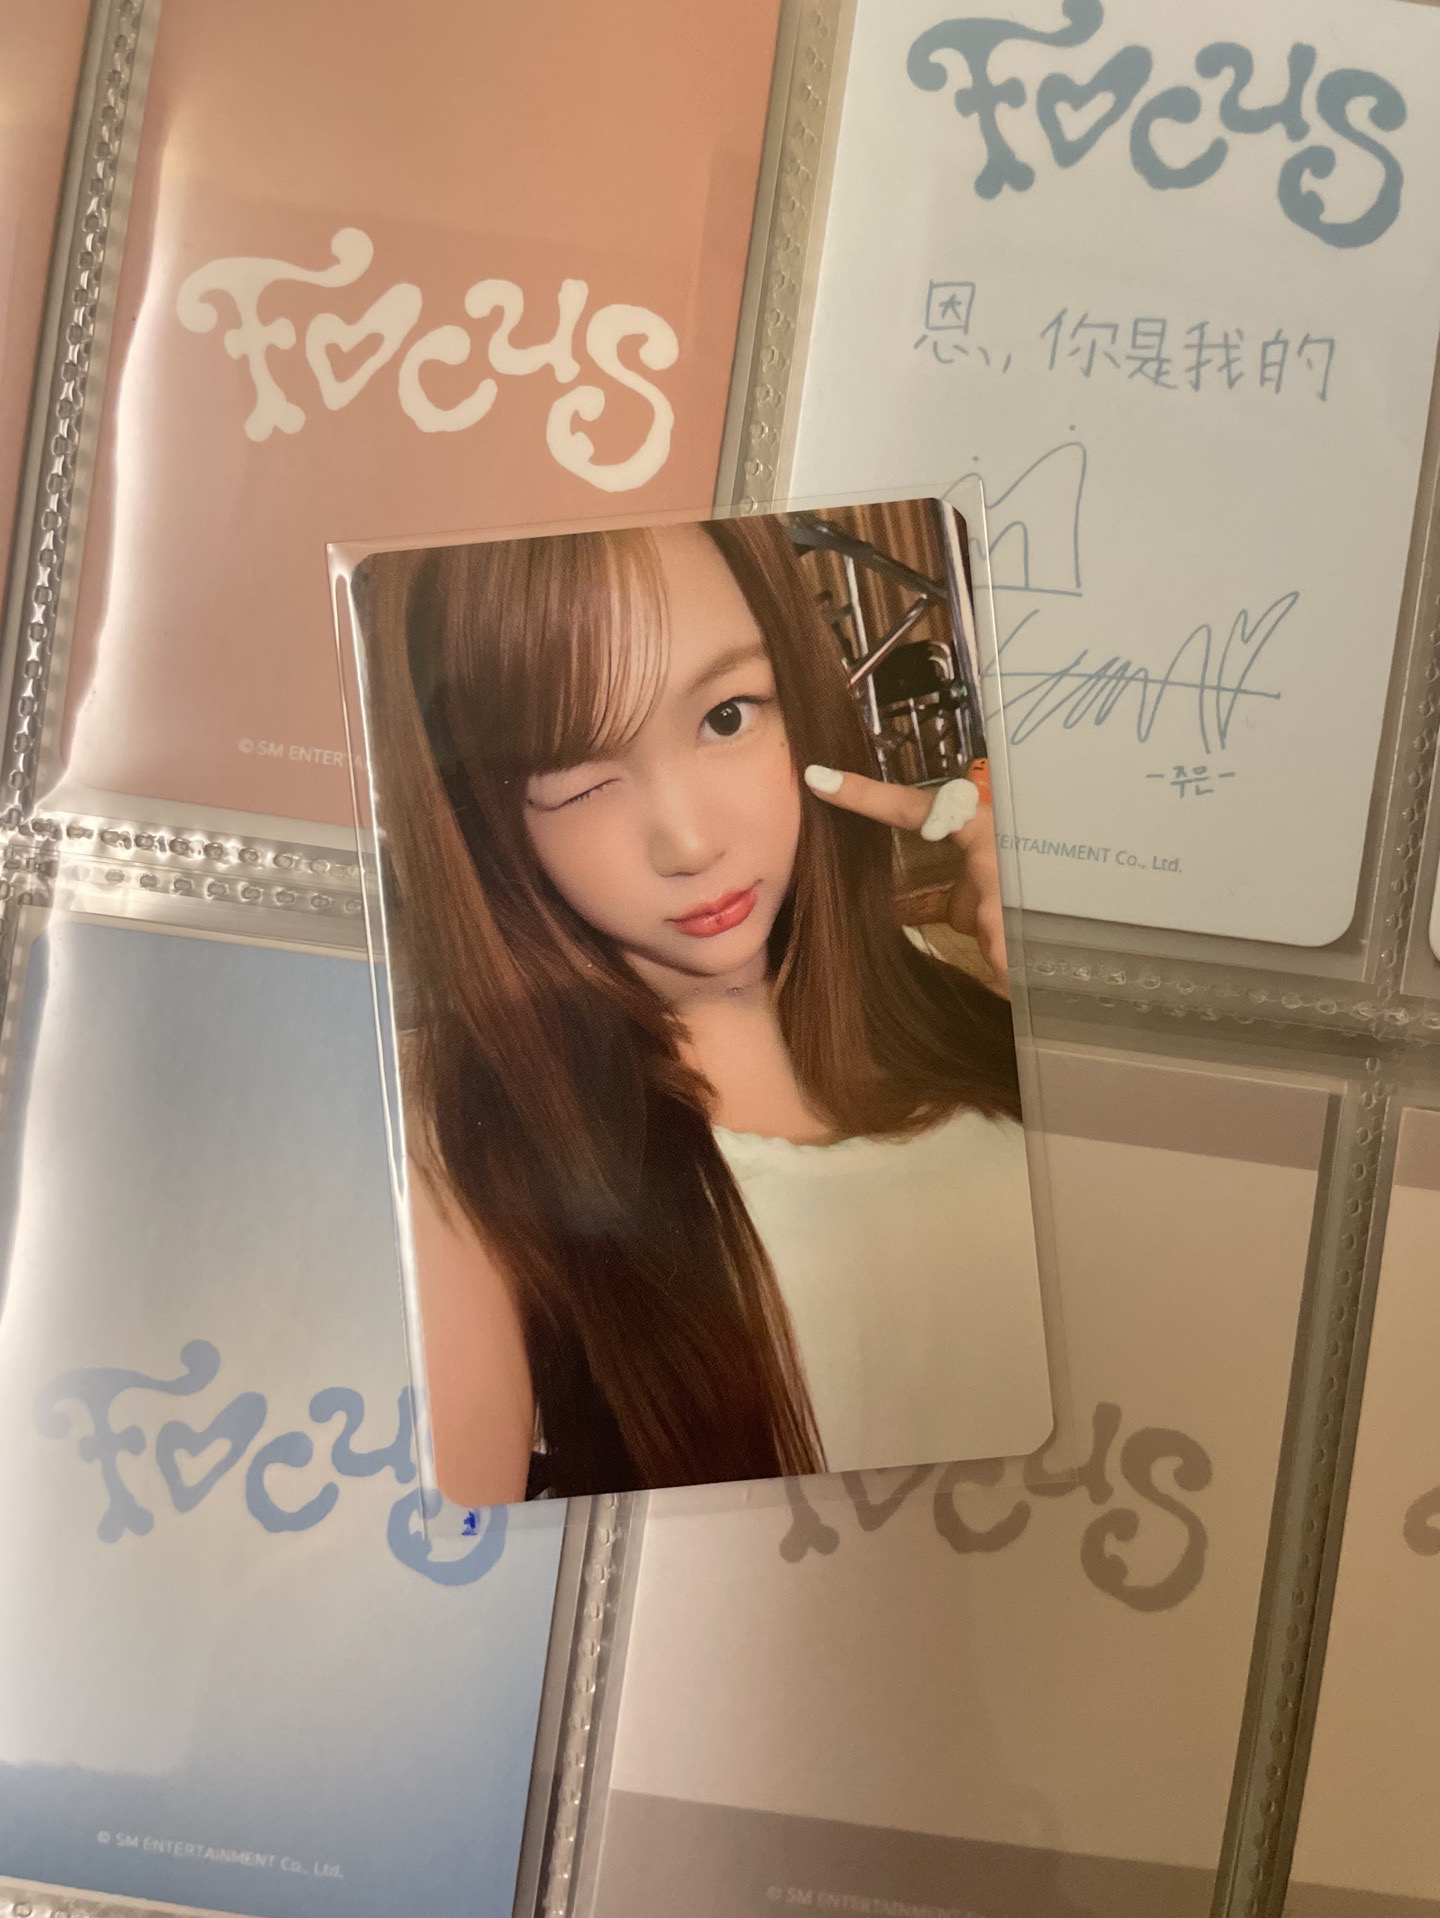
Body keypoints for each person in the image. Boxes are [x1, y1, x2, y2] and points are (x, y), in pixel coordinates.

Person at [357, 514, 1047, 1503]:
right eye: (577, 780)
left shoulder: (969, 984)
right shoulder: (478, 1153)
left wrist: (1090, 1010)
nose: (687, 841)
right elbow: (446, 1566)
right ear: (489, 822)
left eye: (726, 717)